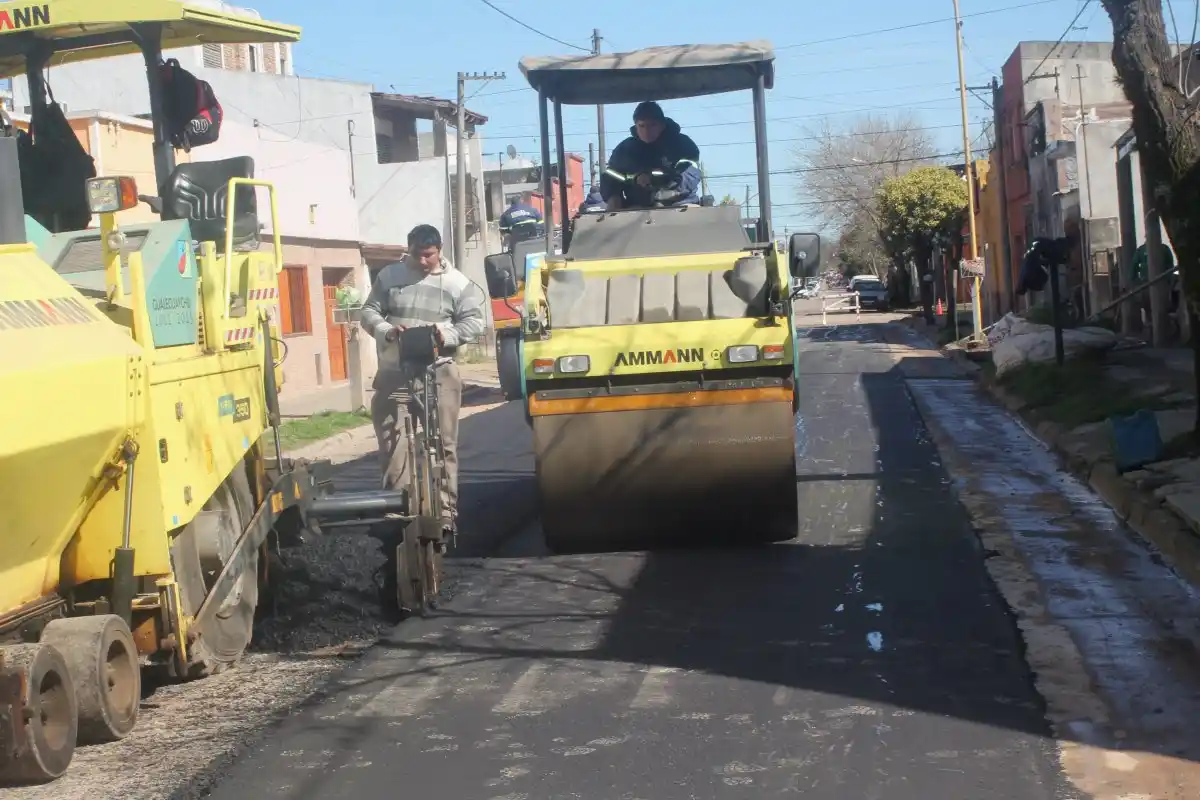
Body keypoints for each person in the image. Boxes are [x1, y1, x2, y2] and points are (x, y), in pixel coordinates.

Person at [359, 224, 486, 534]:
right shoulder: (390, 277)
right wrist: (387, 330)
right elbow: (368, 312)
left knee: (443, 443)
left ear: (439, 250)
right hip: (395, 372)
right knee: (393, 441)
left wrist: (445, 335)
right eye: (417, 255)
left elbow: (475, 322)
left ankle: (444, 511)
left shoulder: (458, 284)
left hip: (439, 371)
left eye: (429, 255)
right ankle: (395, 506)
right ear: (409, 250)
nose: (423, 261)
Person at [600, 101, 701, 210]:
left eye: (652, 125)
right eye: (642, 126)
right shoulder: (625, 149)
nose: (647, 131)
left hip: (680, 204)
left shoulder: (682, 144)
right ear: (636, 126)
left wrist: (656, 181)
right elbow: (611, 176)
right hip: (638, 208)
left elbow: (689, 176)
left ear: (662, 125)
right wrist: (613, 196)